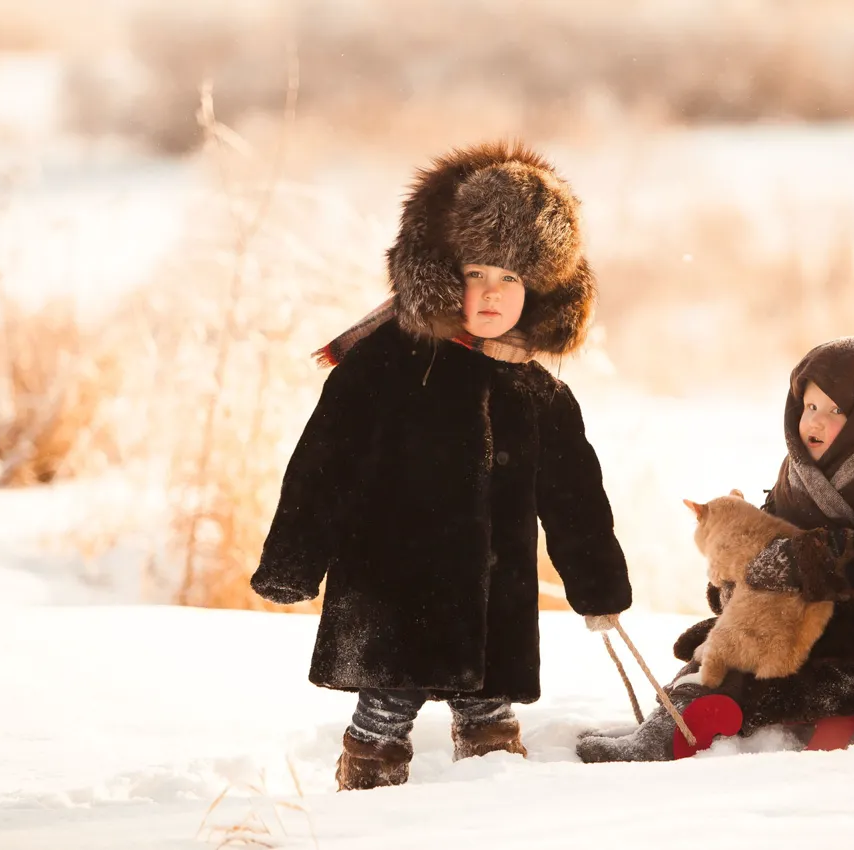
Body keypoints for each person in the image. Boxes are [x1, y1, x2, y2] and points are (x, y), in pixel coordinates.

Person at [251, 142, 632, 789]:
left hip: (492, 595)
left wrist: (597, 587)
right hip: (391, 583)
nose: (490, 293)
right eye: (476, 272)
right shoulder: (388, 365)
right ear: (440, 271)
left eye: (510, 278)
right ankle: (367, 784)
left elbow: (574, 497)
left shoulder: (538, 391)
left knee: (488, 705)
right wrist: (294, 561)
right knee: (387, 701)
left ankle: (489, 794)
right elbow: (324, 463)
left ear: (539, 289)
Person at [577, 336, 854, 762]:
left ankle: (687, 728)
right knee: (725, 639)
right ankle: (672, 716)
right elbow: (768, 539)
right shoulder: (801, 473)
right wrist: (739, 578)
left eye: (836, 410)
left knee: (800, 665)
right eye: (810, 407)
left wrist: (797, 561)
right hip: (826, 610)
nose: (816, 423)